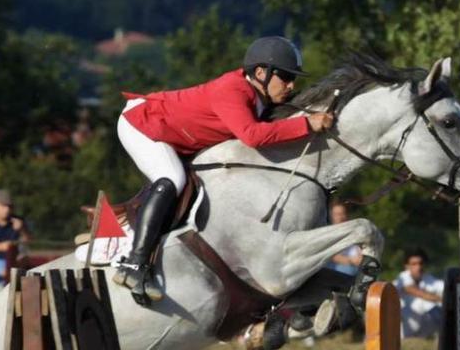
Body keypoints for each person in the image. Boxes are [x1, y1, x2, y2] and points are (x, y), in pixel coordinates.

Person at [112, 36, 335, 305]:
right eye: (286, 77)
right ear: (261, 73)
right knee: (173, 178)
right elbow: (252, 136)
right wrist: (307, 125)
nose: (291, 85)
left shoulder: (263, 98)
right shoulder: (233, 89)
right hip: (143, 124)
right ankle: (134, 265)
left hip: (176, 135)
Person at [393, 249, 444, 339]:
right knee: (424, 302)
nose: (418, 267)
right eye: (414, 264)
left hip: (422, 328)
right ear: (407, 266)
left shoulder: (429, 279)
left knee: (438, 307)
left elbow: (443, 287)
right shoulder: (402, 277)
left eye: (420, 263)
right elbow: (412, 290)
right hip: (401, 327)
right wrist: (439, 298)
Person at [325, 202, 362, 276]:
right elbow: (332, 256)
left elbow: (360, 256)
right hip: (334, 269)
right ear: (332, 216)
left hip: (354, 269)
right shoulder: (328, 234)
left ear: (347, 215)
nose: (340, 217)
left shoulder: (355, 233)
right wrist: (351, 260)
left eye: (342, 214)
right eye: (337, 214)